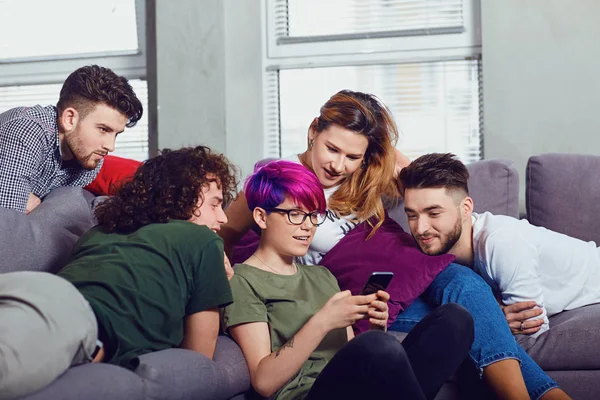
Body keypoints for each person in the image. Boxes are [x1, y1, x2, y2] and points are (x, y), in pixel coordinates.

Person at [220, 89, 569, 400]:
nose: (338, 165)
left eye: (353, 156)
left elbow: (433, 183)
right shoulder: (279, 182)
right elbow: (224, 237)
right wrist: (226, 272)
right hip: (342, 294)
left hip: (394, 282)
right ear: (313, 132)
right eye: (332, 148)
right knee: (451, 322)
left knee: (465, 294)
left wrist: (380, 148)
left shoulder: (366, 176)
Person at [221, 160, 474, 400]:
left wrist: (377, 326)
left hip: (357, 389)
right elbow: (263, 382)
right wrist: (322, 321)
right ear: (261, 217)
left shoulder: (321, 275)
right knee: (377, 346)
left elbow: (354, 352)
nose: (308, 226)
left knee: (455, 320)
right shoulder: (243, 281)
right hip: (307, 395)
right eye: (295, 214)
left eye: (313, 216)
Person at [0, 145, 236, 400]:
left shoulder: (102, 231)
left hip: (28, 288)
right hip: (70, 315)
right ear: (184, 197)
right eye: (216, 204)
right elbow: (198, 358)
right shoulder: (203, 240)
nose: (223, 218)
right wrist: (219, 282)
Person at [398, 152, 600, 338]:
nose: (420, 228)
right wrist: (497, 315)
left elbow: (533, 331)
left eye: (434, 213)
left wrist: (494, 322)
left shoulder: (501, 243)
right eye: (412, 215)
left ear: (466, 208)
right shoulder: (434, 248)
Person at [0, 64, 143, 214]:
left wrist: (36, 205)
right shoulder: (26, 130)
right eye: (103, 129)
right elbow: (9, 223)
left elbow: (51, 216)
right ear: (69, 119)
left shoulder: (89, 158)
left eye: (116, 134)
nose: (110, 146)